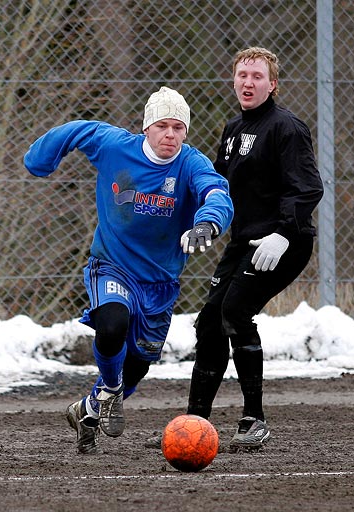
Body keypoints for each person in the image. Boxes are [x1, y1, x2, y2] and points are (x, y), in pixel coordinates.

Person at [23, 87, 234, 454]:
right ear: (147, 128)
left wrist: (208, 224)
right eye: (163, 126)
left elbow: (215, 191)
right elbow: (74, 130)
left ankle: (89, 408)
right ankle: (108, 389)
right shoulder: (114, 145)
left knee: (138, 365)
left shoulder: (191, 163)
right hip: (112, 266)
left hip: (160, 281)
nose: (170, 134)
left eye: (178, 128)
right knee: (112, 325)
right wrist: (40, 160)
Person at [153, 47, 323, 452]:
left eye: (257, 76)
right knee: (209, 322)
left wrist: (284, 233)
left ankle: (254, 419)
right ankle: (193, 423)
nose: (248, 82)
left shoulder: (287, 128)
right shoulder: (232, 130)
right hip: (243, 242)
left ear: (273, 84)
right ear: (234, 81)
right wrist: (197, 220)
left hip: (283, 242)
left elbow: (308, 187)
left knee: (235, 311)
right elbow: (215, 187)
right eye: (242, 75)